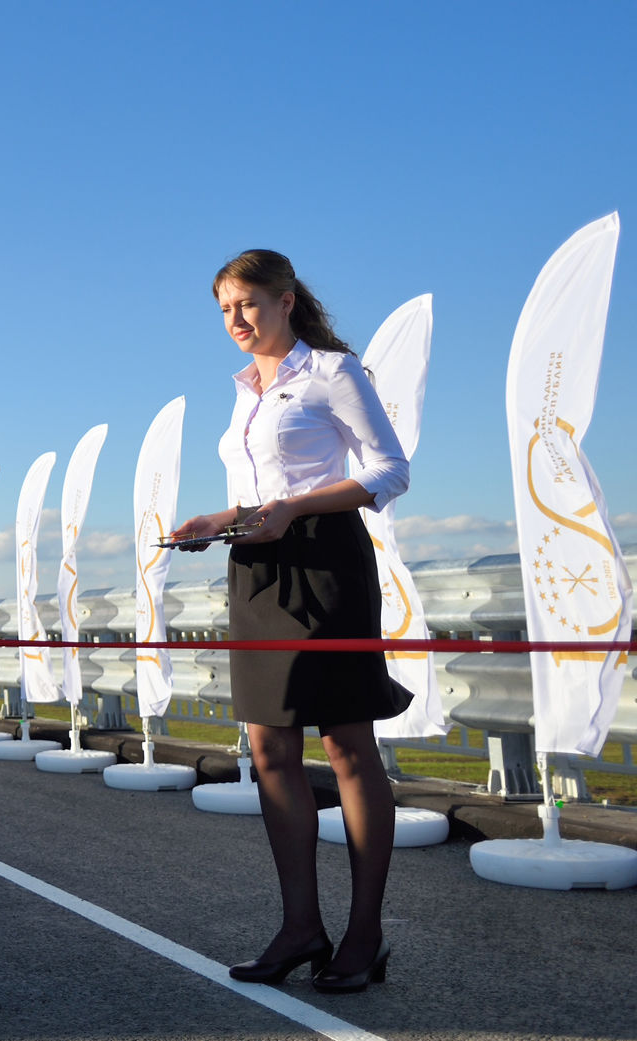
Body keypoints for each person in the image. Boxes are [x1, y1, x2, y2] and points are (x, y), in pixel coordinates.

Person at [169, 249, 411, 995]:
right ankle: (300, 927)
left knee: (345, 743)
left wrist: (295, 508)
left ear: (284, 300)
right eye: (224, 311)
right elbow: (259, 492)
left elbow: (390, 470)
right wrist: (219, 519)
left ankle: (364, 934)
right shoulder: (245, 389)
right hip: (255, 566)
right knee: (269, 749)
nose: (236, 322)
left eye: (247, 305)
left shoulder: (333, 372)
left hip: (327, 562)